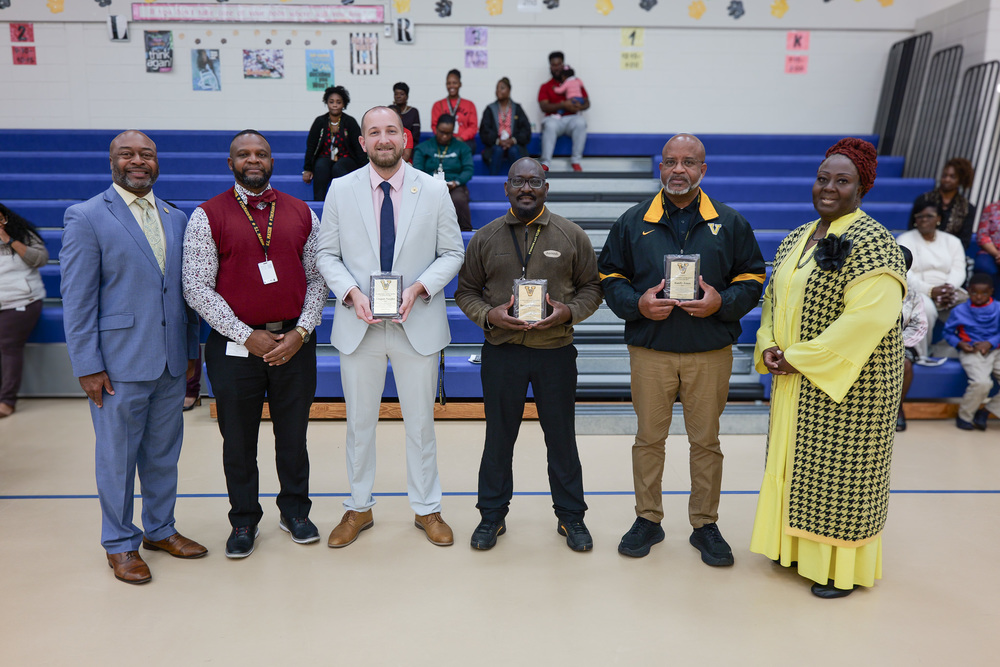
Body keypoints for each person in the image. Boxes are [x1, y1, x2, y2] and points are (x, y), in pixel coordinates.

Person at [598, 133, 765, 566]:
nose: (678, 170)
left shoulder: (729, 222)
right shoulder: (633, 221)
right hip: (650, 351)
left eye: (689, 162)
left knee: (705, 442)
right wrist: (637, 304)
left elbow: (752, 278)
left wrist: (720, 304)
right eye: (670, 161)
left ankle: (704, 524)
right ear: (660, 168)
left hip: (709, 352)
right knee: (648, 440)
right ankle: (648, 519)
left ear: (703, 170)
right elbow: (609, 277)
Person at [752, 138, 907, 599]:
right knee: (796, 468)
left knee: (839, 479)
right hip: (796, 381)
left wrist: (797, 357)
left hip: (851, 388)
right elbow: (772, 301)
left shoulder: (875, 242)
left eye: (843, 181)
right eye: (823, 178)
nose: (829, 188)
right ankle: (794, 550)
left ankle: (837, 568)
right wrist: (769, 348)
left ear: (862, 189)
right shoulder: (800, 235)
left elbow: (868, 320)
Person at [61, 130, 207, 584]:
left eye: (147, 154)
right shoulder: (86, 217)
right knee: (118, 458)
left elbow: (183, 295)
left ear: (157, 163)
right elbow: (77, 299)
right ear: (112, 162)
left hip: (167, 361)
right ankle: (120, 543)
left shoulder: (175, 216)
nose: (138, 161)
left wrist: (189, 353)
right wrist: (87, 364)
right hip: (117, 364)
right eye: (128, 154)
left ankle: (160, 529)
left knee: (163, 454)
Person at [316, 106, 465, 549]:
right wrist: (350, 294)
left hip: (415, 322)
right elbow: (326, 255)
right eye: (374, 132)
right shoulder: (340, 190)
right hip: (358, 323)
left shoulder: (434, 190)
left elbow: (452, 253)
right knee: (359, 423)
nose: (383, 138)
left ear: (405, 140)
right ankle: (359, 506)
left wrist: (420, 287)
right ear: (361, 142)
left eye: (392, 131)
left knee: (420, 423)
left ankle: (427, 508)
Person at [183, 130, 327, 558]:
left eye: (260, 153)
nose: (252, 160)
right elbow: (196, 287)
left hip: (295, 343)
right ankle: (244, 520)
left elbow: (319, 278)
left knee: (293, 436)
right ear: (230, 163)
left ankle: (295, 512)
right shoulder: (206, 215)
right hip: (234, 347)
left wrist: (301, 332)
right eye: (243, 154)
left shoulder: (302, 212)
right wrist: (247, 335)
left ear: (272, 161)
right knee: (239, 440)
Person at [455, 157, 603, 552]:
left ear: (546, 188)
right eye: (518, 181)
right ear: (506, 188)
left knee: (561, 438)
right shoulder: (485, 237)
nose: (526, 188)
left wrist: (569, 312)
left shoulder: (572, 235)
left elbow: (592, 288)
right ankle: (491, 516)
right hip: (502, 352)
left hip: (555, 352)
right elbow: (465, 291)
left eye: (534, 181)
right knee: (499, 438)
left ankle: (571, 518)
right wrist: (490, 316)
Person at [898, 204, 968, 358]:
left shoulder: (952, 241)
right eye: (919, 216)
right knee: (925, 309)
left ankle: (944, 351)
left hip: (948, 289)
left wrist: (947, 288)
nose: (924, 220)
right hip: (917, 290)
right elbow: (905, 272)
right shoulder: (905, 239)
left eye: (929, 216)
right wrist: (930, 290)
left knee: (970, 310)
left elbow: (958, 269)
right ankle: (919, 354)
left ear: (939, 219)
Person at [0, 203, 47, 418]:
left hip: (21, 301)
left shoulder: (23, 235)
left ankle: (7, 400)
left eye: (1, 220)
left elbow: (41, 259)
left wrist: (10, 240)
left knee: (9, 346)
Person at [943, 273, 1000, 431]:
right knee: (982, 383)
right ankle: (964, 416)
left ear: (991, 292)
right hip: (972, 350)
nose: (979, 297)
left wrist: (990, 343)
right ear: (968, 291)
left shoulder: (998, 308)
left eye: (984, 293)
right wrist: (960, 344)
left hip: (996, 350)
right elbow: (947, 333)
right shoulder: (959, 311)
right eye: (974, 292)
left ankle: (986, 412)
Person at [302, 85, 367, 201]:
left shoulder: (350, 122)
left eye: (338, 102)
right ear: (327, 103)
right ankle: (319, 204)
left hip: (347, 158)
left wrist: (365, 170)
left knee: (339, 168)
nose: (335, 105)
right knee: (321, 167)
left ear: (344, 104)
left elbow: (359, 147)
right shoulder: (320, 121)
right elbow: (311, 146)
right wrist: (307, 169)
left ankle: (344, 203)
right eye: (331, 102)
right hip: (325, 157)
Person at [413, 114, 474, 231]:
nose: (445, 136)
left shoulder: (462, 147)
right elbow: (417, 170)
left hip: (454, 186)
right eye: (442, 132)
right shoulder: (423, 147)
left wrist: (456, 182)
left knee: (459, 199)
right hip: (428, 186)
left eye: (449, 133)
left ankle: (465, 233)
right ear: (436, 129)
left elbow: (468, 169)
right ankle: (423, 231)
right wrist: (432, 182)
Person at [537, 51, 589, 172]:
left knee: (581, 122)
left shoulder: (574, 81)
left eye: (559, 64)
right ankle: (546, 163)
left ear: (563, 65)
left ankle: (576, 161)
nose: (557, 67)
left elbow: (587, 102)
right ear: (550, 67)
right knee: (549, 125)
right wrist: (563, 104)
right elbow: (544, 106)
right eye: (554, 65)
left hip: (571, 119)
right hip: (554, 120)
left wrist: (578, 106)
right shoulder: (546, 86)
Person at [908, 157, 976, 248]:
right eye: (944, 175)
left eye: (952, 177)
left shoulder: (967, 207)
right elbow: (912, 227)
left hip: (949, 252)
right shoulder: (924, 199)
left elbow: (964, 240)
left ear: (961, 180)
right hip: (919, 247)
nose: (947, 179)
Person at [896, 245, 928, 432]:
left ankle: (898, 408)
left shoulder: (912, 294)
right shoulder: (868, 288)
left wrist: (896, 344)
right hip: (867, 343)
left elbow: (919, 325)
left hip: (902, 343)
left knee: (905, 365)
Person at [479, 77, 532, 177]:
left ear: (509, 90)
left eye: (502, 88)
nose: (498, 91)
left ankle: (519, 181)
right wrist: (498, 141)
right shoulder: (490, 109)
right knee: (498, 150)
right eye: (497, 88)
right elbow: (484, 131)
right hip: (495, 145)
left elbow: (526, 130)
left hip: (515, 145)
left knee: (513, 150)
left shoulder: (517, 108)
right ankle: (493, 181)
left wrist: (513, 140)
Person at [430, 69, 478, 151]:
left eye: (454, 83)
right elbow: (434, 126)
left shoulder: (470, 105)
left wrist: (461, 138)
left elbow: (473, 127)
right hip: (443, 140)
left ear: (460, 84)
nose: (451, 86)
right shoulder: (438, 105)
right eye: (449, 83)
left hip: (464, 141)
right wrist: (446, 137)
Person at [973, 200, 1000, 278]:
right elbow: (982, 235)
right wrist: (997, 254)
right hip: (991, 252)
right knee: (984, 265)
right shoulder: (992, 208)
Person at [390, 81, 421, 146]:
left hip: (410, 145)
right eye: (396, 94)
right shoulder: (390, 110)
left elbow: (415, 134)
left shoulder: (413, 112)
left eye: (401, 94)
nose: (398, 96)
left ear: (407, 96)